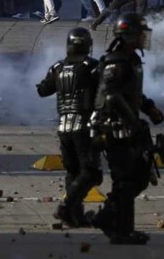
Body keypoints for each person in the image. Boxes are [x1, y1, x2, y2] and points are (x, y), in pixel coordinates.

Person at [89, 13, 164, 245]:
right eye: (141, 33)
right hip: (114, 128)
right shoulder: (115, 62)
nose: (144, 37)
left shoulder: (130, 60)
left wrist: (149, 108)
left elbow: (131, 93)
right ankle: (122, 230)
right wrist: (131, 120)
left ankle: (107, 217)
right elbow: (111, 96)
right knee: (125, 179)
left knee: (139, 177)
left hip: (128, 127)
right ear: (130, 35)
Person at [36, 28, 102, 227]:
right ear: (88, 45)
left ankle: (75, 216)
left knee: (72, 172)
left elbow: (42, 90)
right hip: (84, 126)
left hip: (64, 126)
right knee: (91, 173)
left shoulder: (57, 67)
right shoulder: (92, 67)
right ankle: (67, 206)